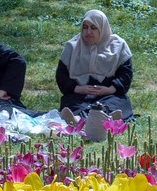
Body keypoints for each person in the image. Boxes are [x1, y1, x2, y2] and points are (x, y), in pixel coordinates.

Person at [56, 10, 133, 140]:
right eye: (85, 27)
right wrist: (77, 88)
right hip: (80, 93)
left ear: (102, 28)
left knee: (115, 104)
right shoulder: (72, 46)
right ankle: (78, 119)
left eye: (93, 28)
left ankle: (108, 117)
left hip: (109, 94)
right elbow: (61, 75)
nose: (88, 32)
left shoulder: (119, 46)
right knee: (73, 104)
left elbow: (125, 74)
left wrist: (110, 89)